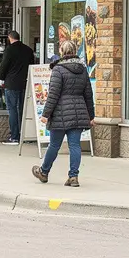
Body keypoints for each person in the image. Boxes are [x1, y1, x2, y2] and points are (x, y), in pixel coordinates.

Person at [32, 40, 95, 187]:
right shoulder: (83, 69)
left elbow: (53, 94)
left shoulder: (58, 70)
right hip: (79, 113)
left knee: (54, 145)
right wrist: (91, 116)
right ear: (75, 51)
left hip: (60, 113)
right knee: (75, 145)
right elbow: (88, 94)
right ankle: (73, 177)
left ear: (62, 52)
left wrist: (45, 114)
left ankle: (44, 172)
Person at [0, 30, 35, 145]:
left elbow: (4, 65)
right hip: (25, 83)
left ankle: (14, 136)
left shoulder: (9, 50)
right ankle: (24, 134)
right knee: (22, 109)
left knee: (12, 109)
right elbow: (32, 65)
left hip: (11, 83)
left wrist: (1, 78)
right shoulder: (28, 50)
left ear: (10, 38)